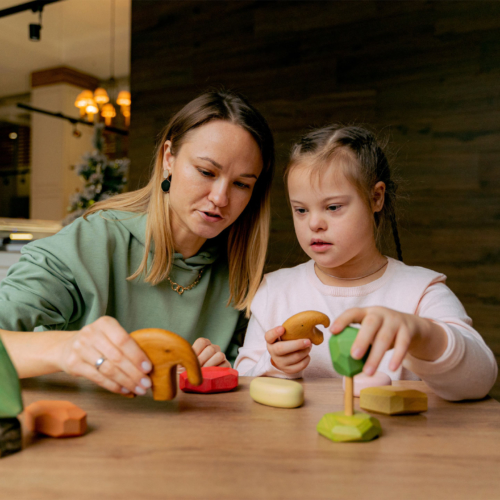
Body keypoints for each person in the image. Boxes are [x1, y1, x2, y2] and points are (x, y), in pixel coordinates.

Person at [0, 89, 274, 397]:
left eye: (241, 184)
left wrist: (217, 371)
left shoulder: (241, 274)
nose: (221, 198)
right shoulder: (91, 242)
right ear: (168, 158)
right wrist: (67, 348)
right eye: (206, 171)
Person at [234, 125, 498, 401]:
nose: (314, 223)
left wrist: (424, 335)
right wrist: (273, 365)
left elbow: (480, 382)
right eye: (301, 210)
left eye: (333, 207)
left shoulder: (421, 291)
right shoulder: (274, 291)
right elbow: (242, 384)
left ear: (375, 197)